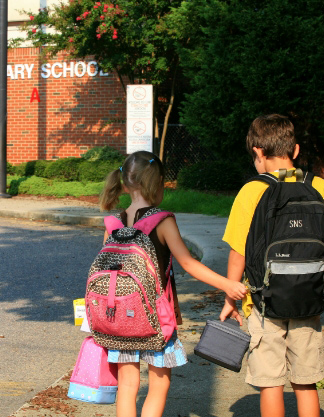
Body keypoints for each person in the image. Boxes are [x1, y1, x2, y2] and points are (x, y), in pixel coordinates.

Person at [99, 150, 247, 417]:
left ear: (124, 183)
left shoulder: (113, 223)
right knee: (159, 383)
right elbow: (189, 264)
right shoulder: (162, 221)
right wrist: (227, 284)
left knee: (128, 385)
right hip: (156, 317)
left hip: (119, 316)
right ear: (157, 183)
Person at [219, 114, 324, 417]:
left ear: (258, 153)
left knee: (270, 383)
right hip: (309, 297)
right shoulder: (318, 185)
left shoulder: (252, 190)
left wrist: (230, 296)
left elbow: (238, 252)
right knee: (305, 380)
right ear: (296, 150)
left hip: (264, 304)